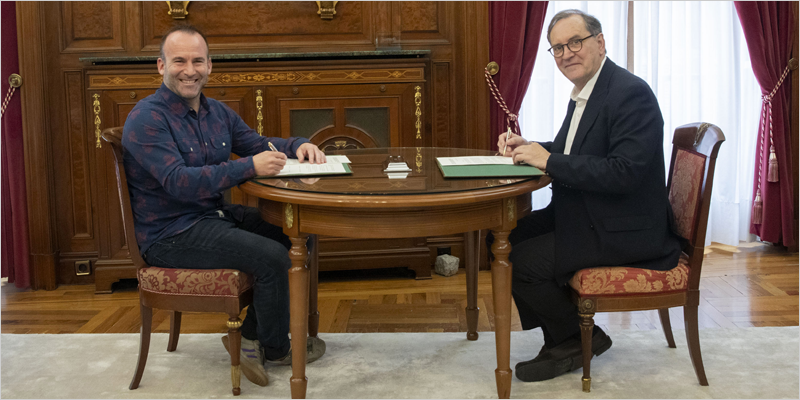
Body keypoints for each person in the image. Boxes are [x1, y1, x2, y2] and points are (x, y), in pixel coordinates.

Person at [122, 24, 327, 387]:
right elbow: (179, 181)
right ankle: (277, 348)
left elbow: (258, 145)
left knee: (298, 232)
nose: (190, 70)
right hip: (170, 233)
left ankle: (250, 337)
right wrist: (249, 167)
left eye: (198, 61)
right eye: (179, 61)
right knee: (273, 257)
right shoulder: (146, 118)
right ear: (161, 66)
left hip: (213, 217)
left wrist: (297, 145)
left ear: (209, 66)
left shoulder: (216, 112)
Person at [497, 9, 682, 382]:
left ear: (600, 42)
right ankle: (563, 334)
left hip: (625, 228)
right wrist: (529, 148)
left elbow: (624, 172)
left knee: (521, 260)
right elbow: (575, 152)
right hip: (590, 213)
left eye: (575, 42)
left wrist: (548, 160)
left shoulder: (630, 93)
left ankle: (576, 338)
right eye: (557, 48)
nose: (566, 54)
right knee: (504, 236)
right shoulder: (588, 91)